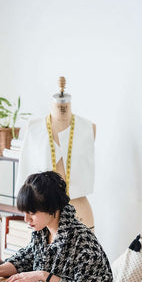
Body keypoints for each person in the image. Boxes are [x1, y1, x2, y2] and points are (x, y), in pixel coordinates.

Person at [16, 77, 96, 229]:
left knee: (84, 251)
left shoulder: (88, 128)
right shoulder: (33, 128)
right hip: (44, 212)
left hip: (79, 210)